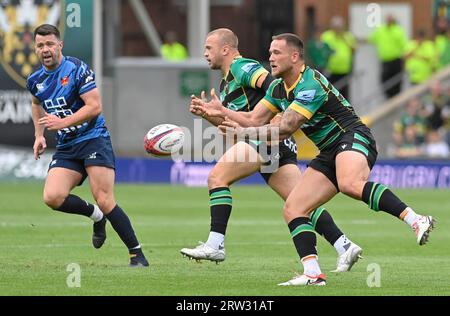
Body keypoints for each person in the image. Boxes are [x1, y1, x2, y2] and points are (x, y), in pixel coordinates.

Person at [192, 33, 435, 286]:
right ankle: (313, 273)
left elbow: (285, 128)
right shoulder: (277, 88)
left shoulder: (310, 84)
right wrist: (221, 112)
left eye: (277, 53)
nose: (270, 58)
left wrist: (244, 133)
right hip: (328, 150)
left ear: (294, 57)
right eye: (270, 52)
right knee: (294, 208)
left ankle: (415, 219)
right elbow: (254, 118)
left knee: (350, 183)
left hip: (351, 135)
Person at [182, 28, 362, 272]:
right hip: (273, 142)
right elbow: (233, 127)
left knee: (217, 178)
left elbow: (274, 84)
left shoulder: (241, 67)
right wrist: (209, 114)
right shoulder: (226, 84)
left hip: (266, 140)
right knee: (300, 202)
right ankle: (344, 245)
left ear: (225, 49)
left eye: (208, 48)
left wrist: (279, 119)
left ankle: (216, 244)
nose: (204, 54)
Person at [27, 24, 149, 267]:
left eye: (50, 44)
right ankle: (96, 216)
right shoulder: (35, 80)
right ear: (35, 49)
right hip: (67, 145)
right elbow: (35, 103)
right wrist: (39, 135)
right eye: (40, 45)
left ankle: (136, 253)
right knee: (52, 197)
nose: (45, 49)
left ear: (60, 45)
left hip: (93, 138)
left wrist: (61, 122)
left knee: (104, 197)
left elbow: (94, 107)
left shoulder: (77, 69)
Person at [368, 14, 407, 98]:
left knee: (397, 79)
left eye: (391, 19)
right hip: (385, 60)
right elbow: (371, 39)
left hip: (396, 59)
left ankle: (396, 96)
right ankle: (388, 96)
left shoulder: (398, 30)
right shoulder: (380, 30)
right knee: (385, 79)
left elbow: (404, 45)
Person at [321, 16, 356, 101]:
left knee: (344, 94)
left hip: (344, 70)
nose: (338, 29)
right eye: (336, 27)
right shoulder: (326, 36)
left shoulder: (348, 36)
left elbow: (354, 49)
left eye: (340, 27)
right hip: (330, 70)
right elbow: (322, 50)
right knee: (330, 93)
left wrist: (344, 39)